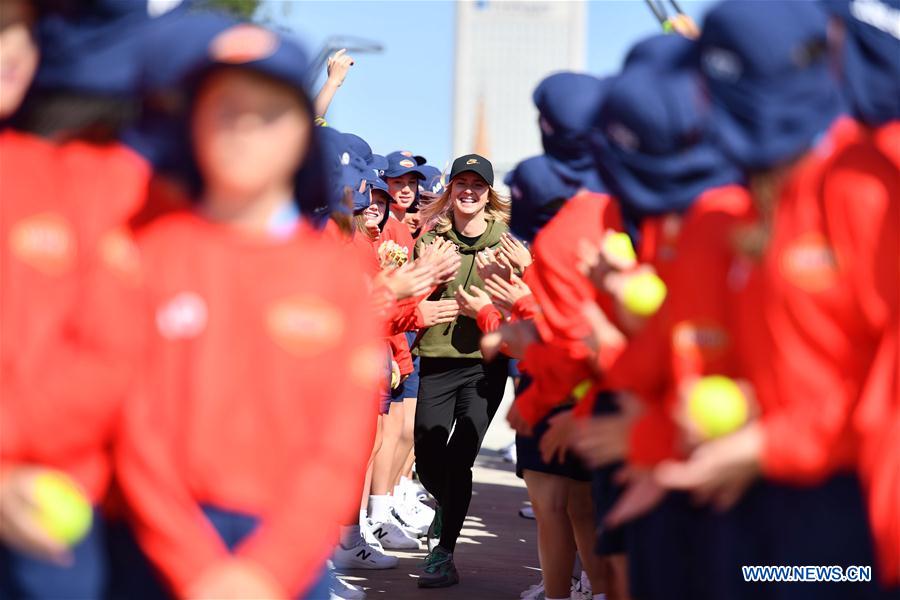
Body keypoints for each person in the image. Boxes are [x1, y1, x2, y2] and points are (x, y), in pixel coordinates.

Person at [114, 18, 382, 600]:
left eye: (268, 114)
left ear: (299, 133)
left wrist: (268, 570)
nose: (244, 130)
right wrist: (194, 565)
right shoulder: (145, 257)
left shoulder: (334, 276)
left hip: (286, 558)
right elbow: (133, 426)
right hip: (156, 549)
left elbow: (338, 441)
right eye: (224, 110)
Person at [0, 2, 152, 597]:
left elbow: (111, 346)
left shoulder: (78, 172)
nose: (12, 48)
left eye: (21, 30)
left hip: (66, 504)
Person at [410, 153, 511, 588]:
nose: (468, 191)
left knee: (460, 458)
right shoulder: (431, 239)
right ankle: (447, 506)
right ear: (450, 189)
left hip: (485, 366)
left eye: (478, 185)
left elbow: (521, 301)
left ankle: (444, 553)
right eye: (461, 184)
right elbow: (405, 296)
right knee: (429, 458)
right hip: (437, 361)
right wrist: (421, 308)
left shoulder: (505, 241)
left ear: (489, 194)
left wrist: (490, 308)